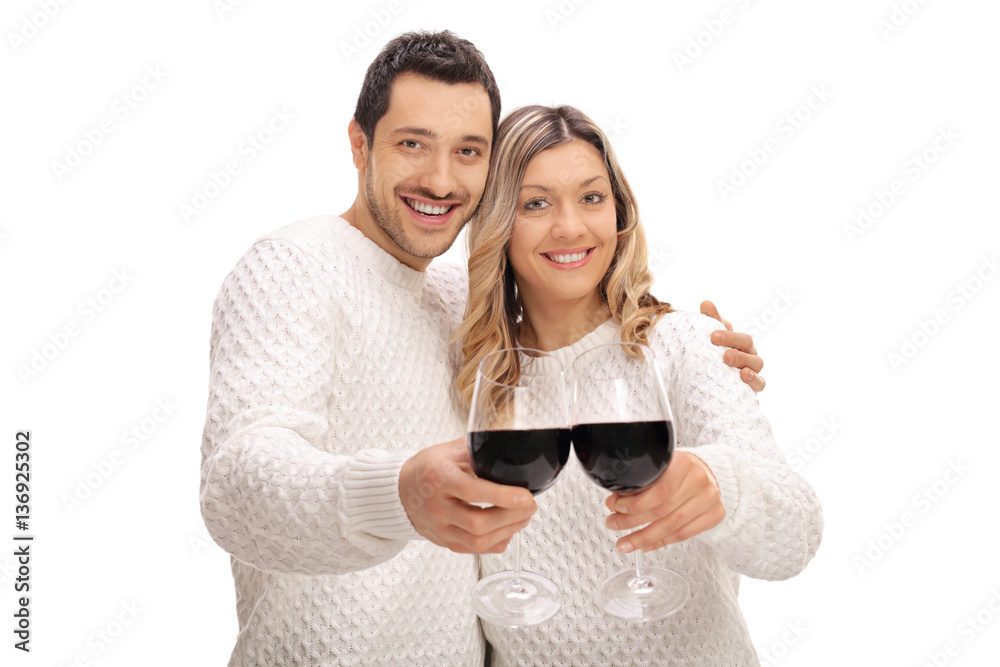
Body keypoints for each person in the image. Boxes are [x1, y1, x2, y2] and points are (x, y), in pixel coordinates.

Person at [200, 31, 766, 665]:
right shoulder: (290, 268)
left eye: (467, 151)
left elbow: (571, 310)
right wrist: (396, 493)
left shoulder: (463, 306)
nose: (441, 179)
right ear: (359, 144)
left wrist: (695, 352)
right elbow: (235, 486)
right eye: (412, 143)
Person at [454, 104, 823, 666]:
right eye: (536, 203)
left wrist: (723, 487)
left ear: (619, 213)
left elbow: (795, 535)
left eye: (591, 197)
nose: (570, 227)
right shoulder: (477, 370)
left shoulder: (684, 344)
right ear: (498, 223)